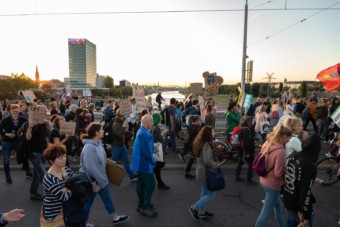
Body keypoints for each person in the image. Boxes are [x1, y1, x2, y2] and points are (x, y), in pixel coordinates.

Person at [79, 122, 129, 225]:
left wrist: (110, 162)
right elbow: (91, 168)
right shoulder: (89, 148)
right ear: (96, 132)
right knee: (88, 202)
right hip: (91, 180)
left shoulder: (98, 144)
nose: (103, 131)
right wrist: (102, 180)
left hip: (99, 178)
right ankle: (83, 222)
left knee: (107, 198)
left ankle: (115, 217)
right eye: (102, 129)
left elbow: (101, 158)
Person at [254, 125, 293, 227]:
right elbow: (277, 173)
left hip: (263, 179)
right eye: (289, 137)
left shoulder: (268, 143)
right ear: (284, 136)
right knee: (265, 212)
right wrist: (286, 169)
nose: (289, 140)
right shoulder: (280, 152)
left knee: (279, 207)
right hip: (273, 185)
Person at [283, 134, 322, 227]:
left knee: (291, 223)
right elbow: (305, 191)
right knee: (306, 222)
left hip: (288, 197)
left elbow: (292, 175)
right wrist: (305, 214)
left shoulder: (294, 155)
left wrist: (311, 178)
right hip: (298, 204)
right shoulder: (309, 164)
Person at [188, 125, 225, 219]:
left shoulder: (200, 142)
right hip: (205, 172)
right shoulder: (206, 145)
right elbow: (207, 160)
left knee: (204, 192)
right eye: (213, 132)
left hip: (200, 171)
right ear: (208, 134)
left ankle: (201, 212)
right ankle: (194, 207)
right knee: (211, 194)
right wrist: (217, 164)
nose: (214, 133)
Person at [131, 114, 158, 217]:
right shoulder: (146, 134)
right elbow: (147, 152)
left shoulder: (140, 131)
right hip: (144, 164)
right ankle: (145, 206)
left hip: (139, 162)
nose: (152, 123)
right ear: (147, 123)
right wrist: (153, 162)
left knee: (141, 184)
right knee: (150, 184)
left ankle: (141, 204)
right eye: (151, 121)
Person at [41, 144, 73, 226]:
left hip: (65, 212)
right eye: (60, 158)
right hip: (53, 214)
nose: (64, 159)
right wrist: (69, 189)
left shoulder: (65, 169)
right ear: (51, 161)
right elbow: (64, 197)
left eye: (64, 156)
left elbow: (75, 182)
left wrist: (66, 189)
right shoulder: (49, 178)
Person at [25, 105, 49, 200]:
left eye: (45, 111)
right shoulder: (31, 123)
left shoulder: (44, 123)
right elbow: (27, 137)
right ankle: (51, 194)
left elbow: (46, 137)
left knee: (36, 174)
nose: (44, 112)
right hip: (34, 153)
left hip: (43, 152)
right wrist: (30, 127)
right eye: (42, 111)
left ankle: (33, 193)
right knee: (43, 173)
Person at [0, 104, 27, 184]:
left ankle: (27, 171)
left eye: (17, 109)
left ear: (19, 110)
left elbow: (25, 129)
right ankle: (7, 176)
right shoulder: (5, 120)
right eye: (13, 109)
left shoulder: (23, 120)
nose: (15, 111)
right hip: (7, 142)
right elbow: (1, 130)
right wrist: (7, 134)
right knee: (6, 160)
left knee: (24, 155)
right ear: (10, 111)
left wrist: (22, 134)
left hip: (17, 141)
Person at [111, 109, 137, 182]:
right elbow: (119, 134)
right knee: (113, 162)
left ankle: (131, 176)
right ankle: (107, 176)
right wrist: (124, 126)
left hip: (121, 145)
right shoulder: (116, 123)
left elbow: (132, 117)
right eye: (124, 114)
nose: (126, 115)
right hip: (116, 145)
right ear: (121, 115)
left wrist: (133, 113)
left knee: (126, 161)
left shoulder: (121, 121)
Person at [235, 116, 256, 184]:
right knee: (250, 164)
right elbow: (247, 142)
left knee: (240, 162)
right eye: (252, 121)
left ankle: (237, 176)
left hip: (242, 149)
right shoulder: (247, 130)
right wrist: (247, 153)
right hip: (247, 150)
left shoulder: (244, 128)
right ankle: (249, 178)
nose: (254, 122)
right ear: (249, 122)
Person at [152, 113, 170, 190]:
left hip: (155, 149)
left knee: (157, 166)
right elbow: (157, 139)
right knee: (159, 165)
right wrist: (163, 133)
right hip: (157, 149)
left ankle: (160, 182)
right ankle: (160, 183)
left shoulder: (153, 127)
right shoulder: (156, 128)